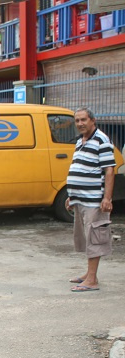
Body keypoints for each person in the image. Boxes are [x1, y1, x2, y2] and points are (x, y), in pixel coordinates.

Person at [65, 107, 115, 292]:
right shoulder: (81, 141)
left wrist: (107, 198)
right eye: (77, 120)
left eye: (83, 120)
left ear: (92, 120)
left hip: (94, 200)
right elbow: (80, 168)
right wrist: (72, 195)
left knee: (94, 238)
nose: (80, 124)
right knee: (85, 237)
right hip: (80, 199)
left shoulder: (102, 139)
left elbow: (109, 169)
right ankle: (89, 273)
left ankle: (92, 280)